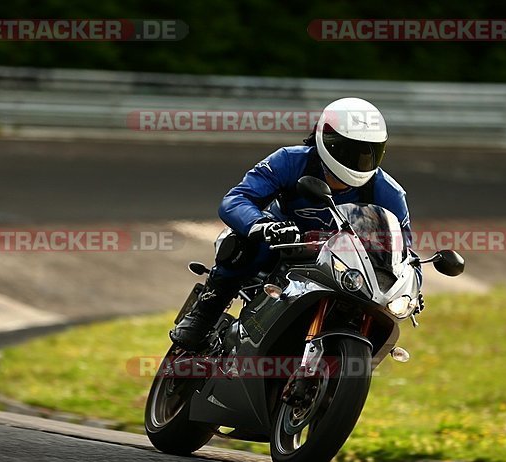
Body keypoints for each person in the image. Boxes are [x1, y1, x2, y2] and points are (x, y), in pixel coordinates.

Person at [170, 97, 421, 351]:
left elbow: (403, 252)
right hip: (282, 246)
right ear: (326, 140)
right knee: (241, 245)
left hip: (341, 265)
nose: (360, 160)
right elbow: (237, 199)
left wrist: (411, 284)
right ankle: (207, 308)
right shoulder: (289, 160)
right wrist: (262, 225)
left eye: (369, 152)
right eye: (350, 150)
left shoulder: (389, 192)